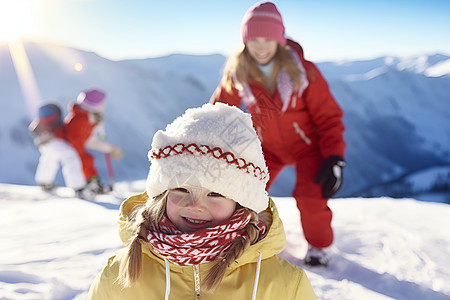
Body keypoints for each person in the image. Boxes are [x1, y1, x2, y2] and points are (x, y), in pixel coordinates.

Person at [88, 103, 317, 299]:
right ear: (162, 194)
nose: (195, 205)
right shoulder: (120, 274)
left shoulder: (284, 285)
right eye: (181, 189)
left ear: (241, 203)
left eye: (215, 193)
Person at [210, 2, 346, 266]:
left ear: (280, 40)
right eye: (254, 39)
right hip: (266, 147)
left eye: (268, 39)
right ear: (245, 42)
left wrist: (335, 157)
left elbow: (329, 117)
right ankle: (236, 238)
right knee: (244, 192)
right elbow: (219, 113)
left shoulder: (303, 72)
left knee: (310, 195)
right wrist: (210, 146)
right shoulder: (239, 71)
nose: (261, 46)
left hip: (308, 146)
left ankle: (319, 246)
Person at [64, 88, 123, 194]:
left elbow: (89, 139)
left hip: (74, 144)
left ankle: (92, 182)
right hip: (69, 144)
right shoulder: (81, 119)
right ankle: (80, 188)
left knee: (87, 159)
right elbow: (81, 139)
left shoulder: (85, 117)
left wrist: (109, 148)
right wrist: (95, 123)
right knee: (79, 161)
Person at [29, 103, 94, 199]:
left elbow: (34, 129)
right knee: (70, 157)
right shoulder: (53, 123)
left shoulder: (41, 123)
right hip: (54, 142)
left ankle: (44, 182)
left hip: (46, 143)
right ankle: (78, 187)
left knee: (49, 159)